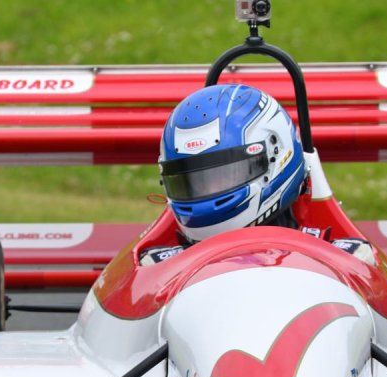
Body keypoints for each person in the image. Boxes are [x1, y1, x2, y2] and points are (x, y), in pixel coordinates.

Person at [144, 83, 372, 265]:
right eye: (191, 182)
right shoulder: (156, 265)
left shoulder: (350, 257)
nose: (206, 192)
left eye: (223, 176)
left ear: (276, 156)